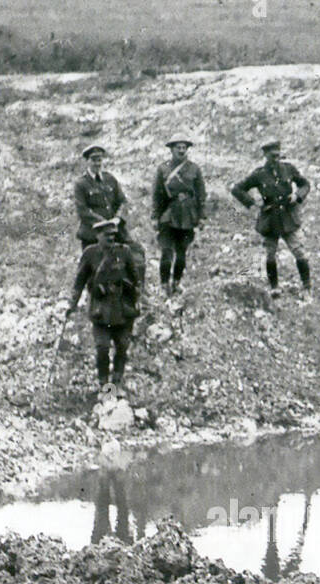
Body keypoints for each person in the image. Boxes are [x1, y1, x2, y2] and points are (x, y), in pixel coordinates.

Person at [67, 218, 141, 393]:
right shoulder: (90, 253)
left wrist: (136, 297)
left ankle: (117, 381)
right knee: (102, 348)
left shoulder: (124, 252)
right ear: (98, 235)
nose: (111, 239)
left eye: (113, 235)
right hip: (101, 309)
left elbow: (136, 279)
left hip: (123, 309)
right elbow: (79, 282)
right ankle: (104, 384)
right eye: (107, 235)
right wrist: (72, 304)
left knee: (122, 347)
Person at [231, 140, 312, 299]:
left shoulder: (289, 169)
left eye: (278, 155)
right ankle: (274, 287)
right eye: (272, 156)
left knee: (299, 252)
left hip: (289, 218)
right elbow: (237, 189)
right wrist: (253, 202)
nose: (276, 159)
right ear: (265, 155)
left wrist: (297, 195)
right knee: (270, 255)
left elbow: (305, 184)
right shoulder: (259, 174)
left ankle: (307, 286)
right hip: (270, 219)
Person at [73, 144, 146, 284]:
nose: (97, 163)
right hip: (93, 233)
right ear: (87, 161)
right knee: (92, 267)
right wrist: (103, 223)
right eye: (94, 159)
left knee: (137, 253)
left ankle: (138, 290)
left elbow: (123, 202)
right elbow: (82, 210)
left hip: (115, 229)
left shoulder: (110, 179)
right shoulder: (81, 184)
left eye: (99, 160)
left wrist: (118, 218)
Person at [151, 136, 207, 296]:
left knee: (182, 253)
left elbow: (201, 194)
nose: (181, 150)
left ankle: (176, 282)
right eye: (178, 147)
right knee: (167, 251)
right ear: (171, 149)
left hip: (188, 216)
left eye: (184, 147)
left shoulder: (194, 169)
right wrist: (155, 217)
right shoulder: (163, 169)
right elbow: (156, 195)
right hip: (168, 215)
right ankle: (164, 285)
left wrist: (202, 216)